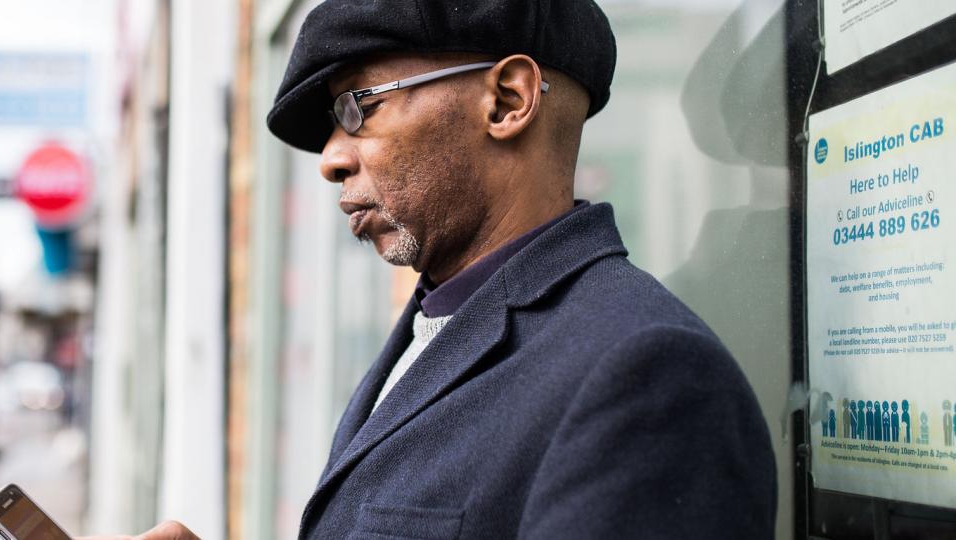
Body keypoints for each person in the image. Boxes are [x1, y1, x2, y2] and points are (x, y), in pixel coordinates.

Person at [88, 0, 776, 538]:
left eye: (360, 106)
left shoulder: (648, 378)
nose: (329, 158)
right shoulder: (436, 326)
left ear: (507, 100)